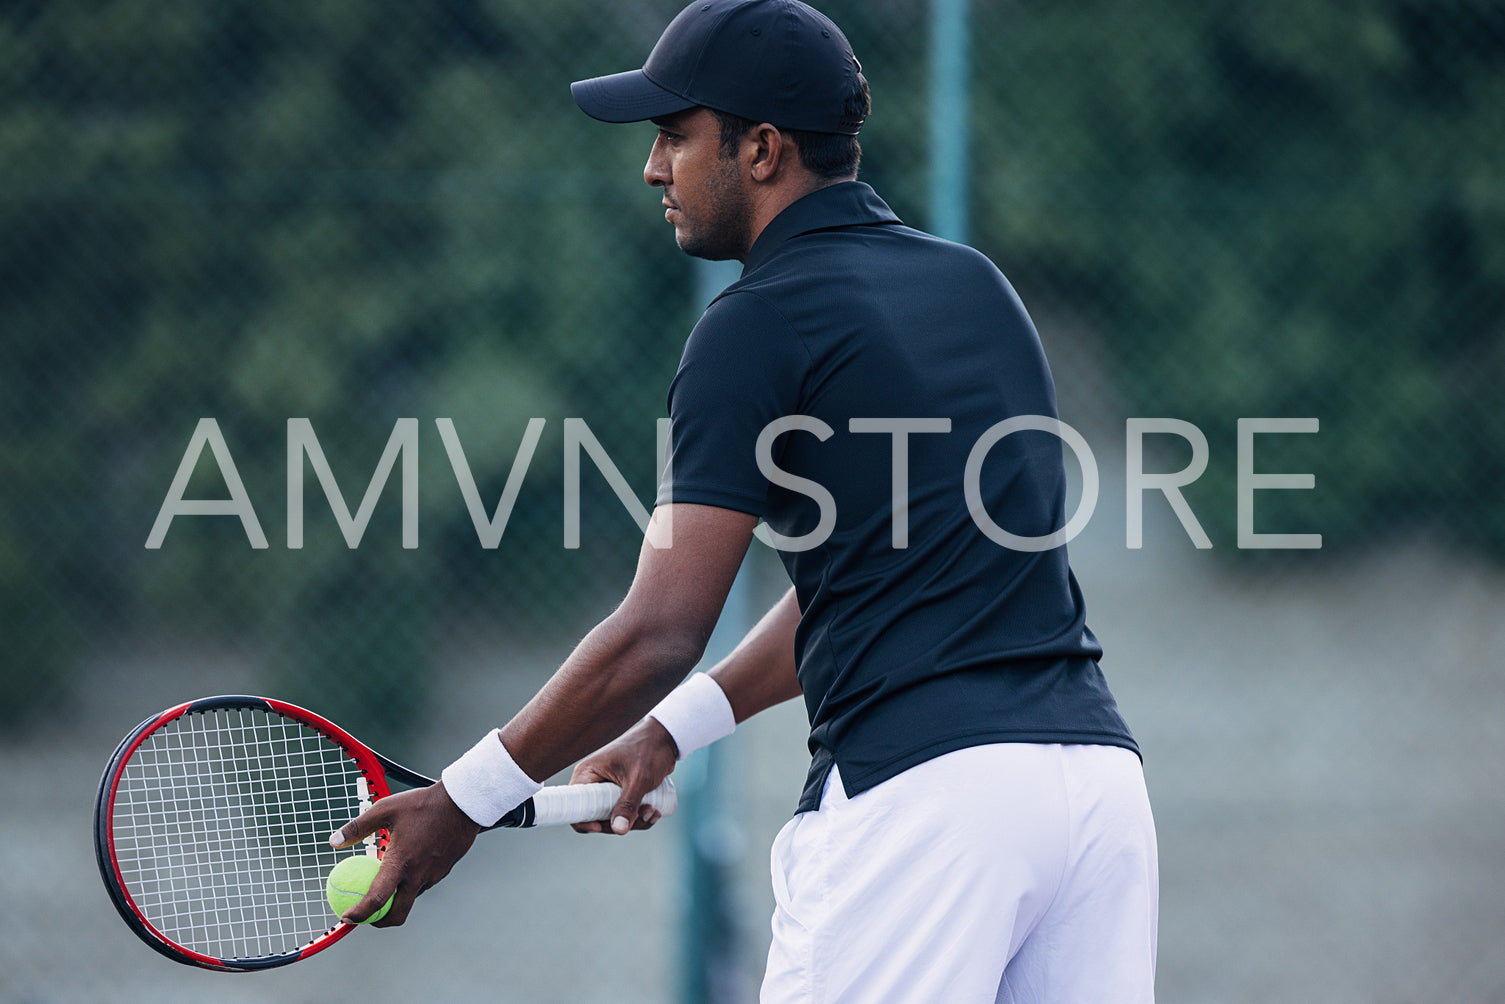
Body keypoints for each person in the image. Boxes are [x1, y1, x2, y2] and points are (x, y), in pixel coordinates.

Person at [332, 1, 1158, 1000]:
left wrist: (461, 801)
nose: (652, 169)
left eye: (676, 137)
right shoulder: (974, 287)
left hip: (924, 804)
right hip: (1094, 796)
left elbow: (656, 629)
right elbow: (873, 578)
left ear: (761, 149)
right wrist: (670, 729)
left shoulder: (754, 323)